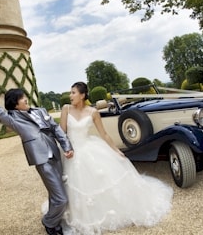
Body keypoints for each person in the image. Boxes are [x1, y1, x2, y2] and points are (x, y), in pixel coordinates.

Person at [58, 82, 173, 235]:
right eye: (70, 92)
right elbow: (61, 133)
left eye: (73, 92)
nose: (70, 95)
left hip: (88, 148)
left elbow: (104, 134)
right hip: (72, 153)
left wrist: (116, 150)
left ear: (82, 95)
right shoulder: (66, 109)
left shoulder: (93, 112)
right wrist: (66, 149)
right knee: (74, 184)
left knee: (100, 177)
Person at [0, 84, 74, 235]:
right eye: (22, 98)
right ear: (15, 104)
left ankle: (55, 221)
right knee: (61, 198)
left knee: (56, 193)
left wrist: (66, 146)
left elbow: (56, 129)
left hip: (55, 155)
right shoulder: (12, 119)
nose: (25, 99)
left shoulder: (41, 111)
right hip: (42, 160)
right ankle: (49, 221)